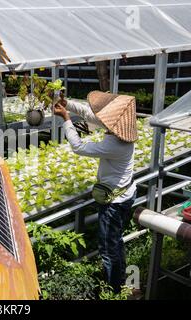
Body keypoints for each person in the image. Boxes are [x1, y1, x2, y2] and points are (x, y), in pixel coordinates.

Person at [53, 91, 138, 293]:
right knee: (116, 241)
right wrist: (68, 104)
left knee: (108, 248)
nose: (102, 119)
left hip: (114, 203)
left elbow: (78, 146)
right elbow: (91, 116)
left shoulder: (114, 144)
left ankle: (114, 289)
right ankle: (121, 279)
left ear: (113, 122)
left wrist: (66, 119)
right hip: (127, 193)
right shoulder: (122, 132)